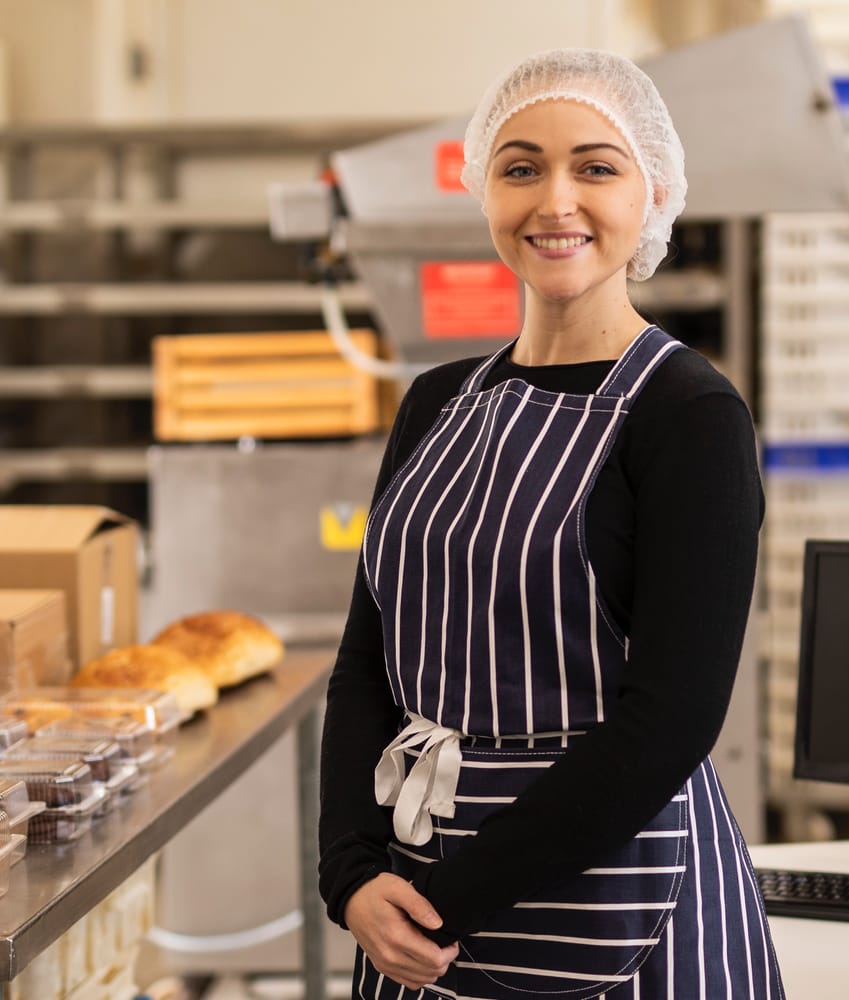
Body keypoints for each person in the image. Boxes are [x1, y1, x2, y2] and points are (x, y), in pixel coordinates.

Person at [316, 48, 780, 1000]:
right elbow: (368, 661)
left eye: (596, 168)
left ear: (651, 195)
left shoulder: (689, 415)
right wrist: (353, 874)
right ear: (482, 188)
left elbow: (673, 720)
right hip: (413, 891)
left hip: (614, 895)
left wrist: (448, 903)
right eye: (521, 167)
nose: (555, 201)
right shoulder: (437, 401)